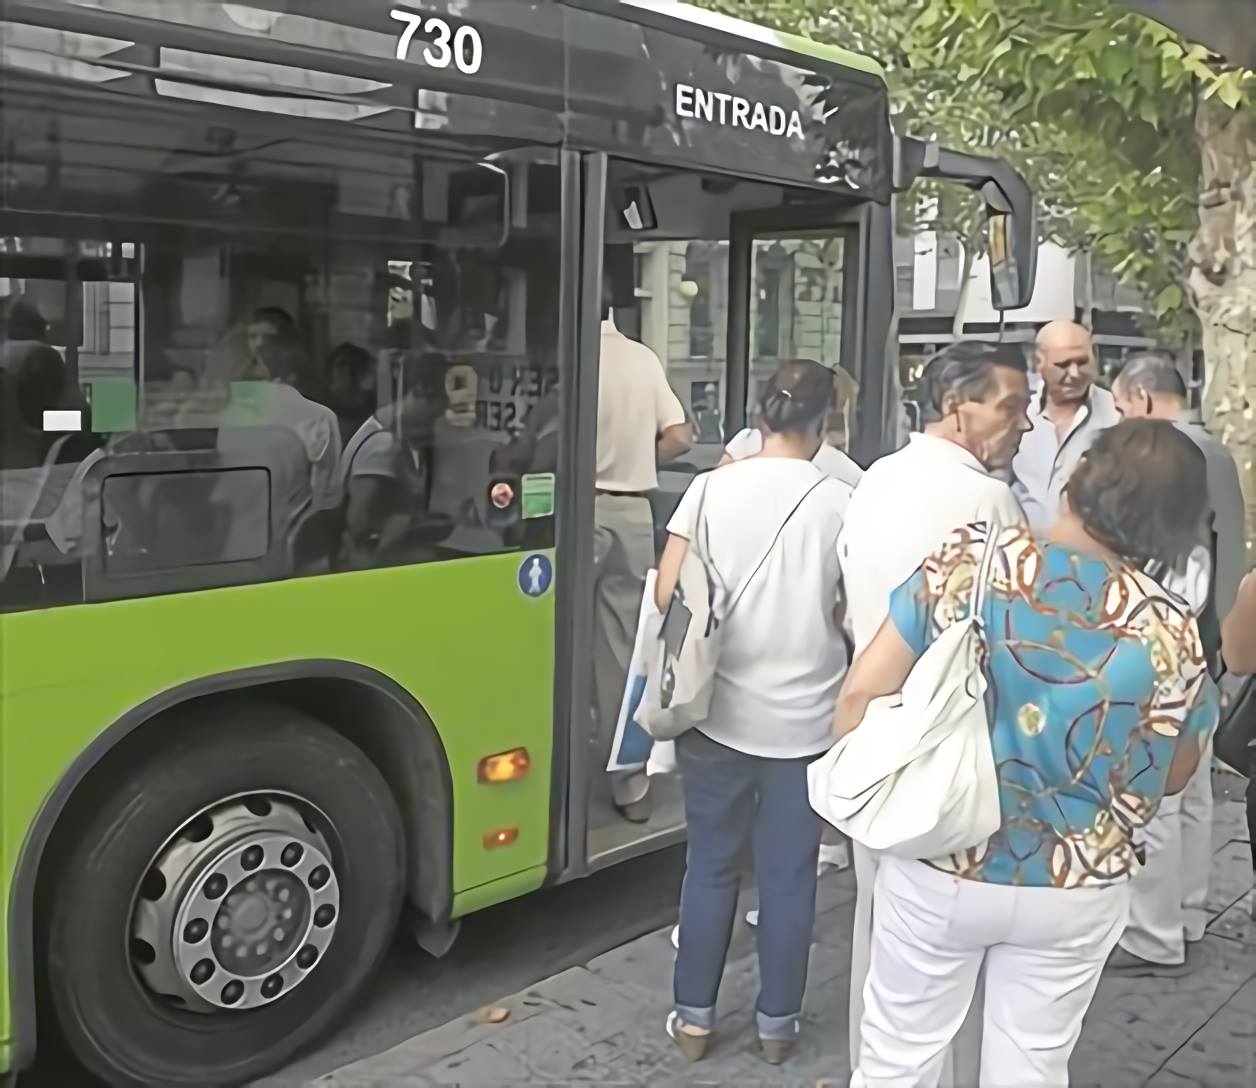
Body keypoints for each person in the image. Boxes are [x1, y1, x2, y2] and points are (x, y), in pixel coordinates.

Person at [840, 419, 1220, 1086]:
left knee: (899, 1053)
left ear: (1076, 480)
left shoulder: (971, 562)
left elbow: (862, 692)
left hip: (943, 853)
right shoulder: (1172, 628)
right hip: (1077, 881)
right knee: (1033, 1064)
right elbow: (1172, 776)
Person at [838, 340, 1031, 1084]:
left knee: (877, 925)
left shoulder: (877, 477)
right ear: (959, 409)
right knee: (946, 953)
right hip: (955, 747)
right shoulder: (986, 500)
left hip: (874, 733)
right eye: (1010, 407)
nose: (1024, 424)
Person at [655, 360, 853, 1066]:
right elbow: (852, 613)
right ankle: (777, 1028)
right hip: (807, 725)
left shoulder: (709, 490)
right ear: (823, 424)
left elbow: (668, 595)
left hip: (717, 716)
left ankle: (694, 1019)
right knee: (789, 876)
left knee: (709, 867)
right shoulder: (841, 502)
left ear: (760, 417)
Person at [1109, 349, 1247, 970]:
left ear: (1139, 399)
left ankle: (1153, 931)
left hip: (1164, 637)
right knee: (1192, 792)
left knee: (1155, 791)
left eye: (1118, 408)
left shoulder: (1160, 457)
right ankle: (1188, 912)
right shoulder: (1215, 450)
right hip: (1208, 643)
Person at [593, 274, 692, 822]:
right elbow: (680, 435)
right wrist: (638, 456)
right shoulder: (641, 358)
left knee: (549, 641)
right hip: (633, 512)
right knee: (620, 653)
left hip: (574, 513)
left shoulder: (570, 358)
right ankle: (628, 783)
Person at [1012, 320, 1120, 531]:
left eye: (1082, 362)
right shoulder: (1018, 414)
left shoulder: (1116, 416)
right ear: (1038, 362)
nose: (1074, 373)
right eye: (1063, 364)